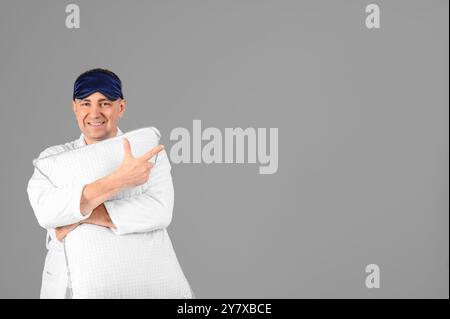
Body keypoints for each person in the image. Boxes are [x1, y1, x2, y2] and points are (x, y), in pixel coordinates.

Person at [27, 68, 185, 298]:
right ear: (74, 107)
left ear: (120, 107)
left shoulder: (145, 152)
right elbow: (46, 212)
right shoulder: (53, 159)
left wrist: (79, 215)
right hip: (68, 286)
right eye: (85, 103)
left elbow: (159, 210)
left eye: (104, 103)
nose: (94, 113)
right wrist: (119, 180)